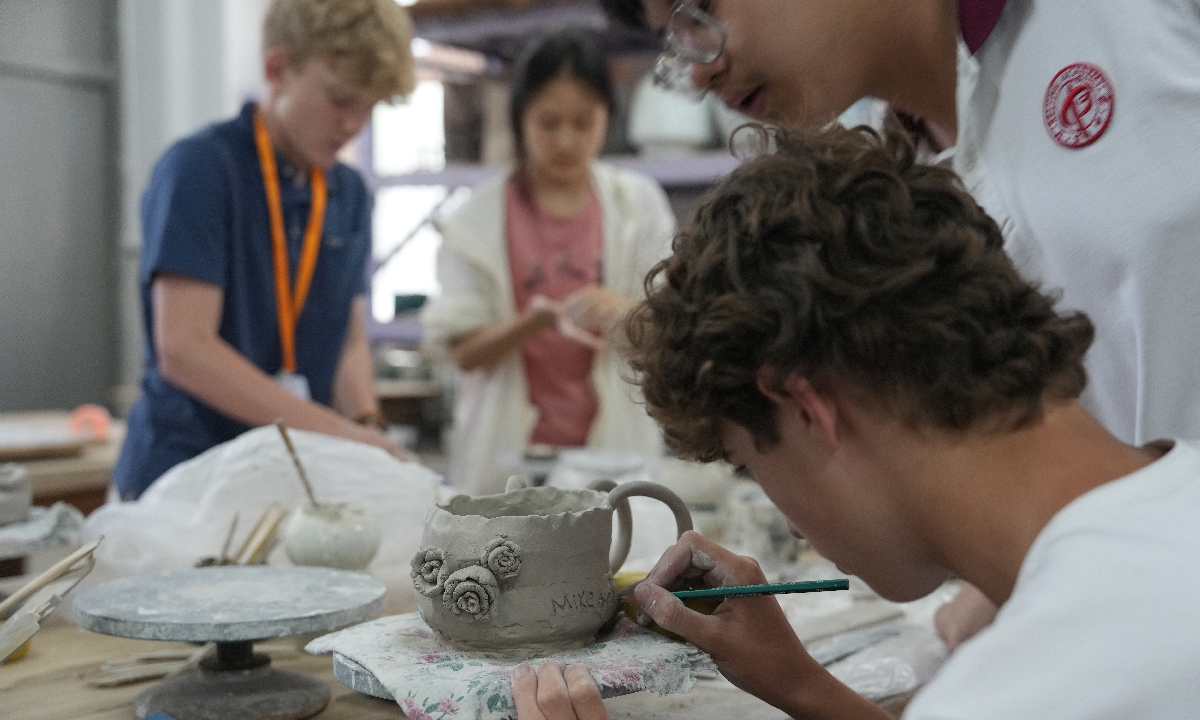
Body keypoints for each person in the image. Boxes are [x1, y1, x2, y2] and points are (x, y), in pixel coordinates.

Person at [511, 124, 1200, 719]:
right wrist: (804, 687)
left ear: (810, 411)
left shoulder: (1034, 688)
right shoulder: (1170, 512)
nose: (789, 520)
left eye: (752, 464)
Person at [598, 0, 1200, 648]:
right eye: (670, 40)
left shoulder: (1142, 18)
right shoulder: (897, 199)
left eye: (700, 9)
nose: (697, 70)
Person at [113, 0, 414, 500]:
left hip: (287, 477)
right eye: (341, 100)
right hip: (185, 477)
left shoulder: (349, 194)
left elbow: (348, 341)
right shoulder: (201, 170)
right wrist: (340, 434)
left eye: (369, 106)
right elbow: (185, 348)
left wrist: (369, 425)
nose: (353, 125)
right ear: (278, 69)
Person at [421, 31, 676, 495]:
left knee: (625, 558)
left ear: (608, 118)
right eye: (548, 121)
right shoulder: (474, 219)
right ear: (520, 119)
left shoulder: (639, 205)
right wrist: (531, 323)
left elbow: (673, 331)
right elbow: (461, 351)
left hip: (616, 456)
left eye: (583, 122)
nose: (565, 140)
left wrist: (619, 310)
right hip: (505, 464)